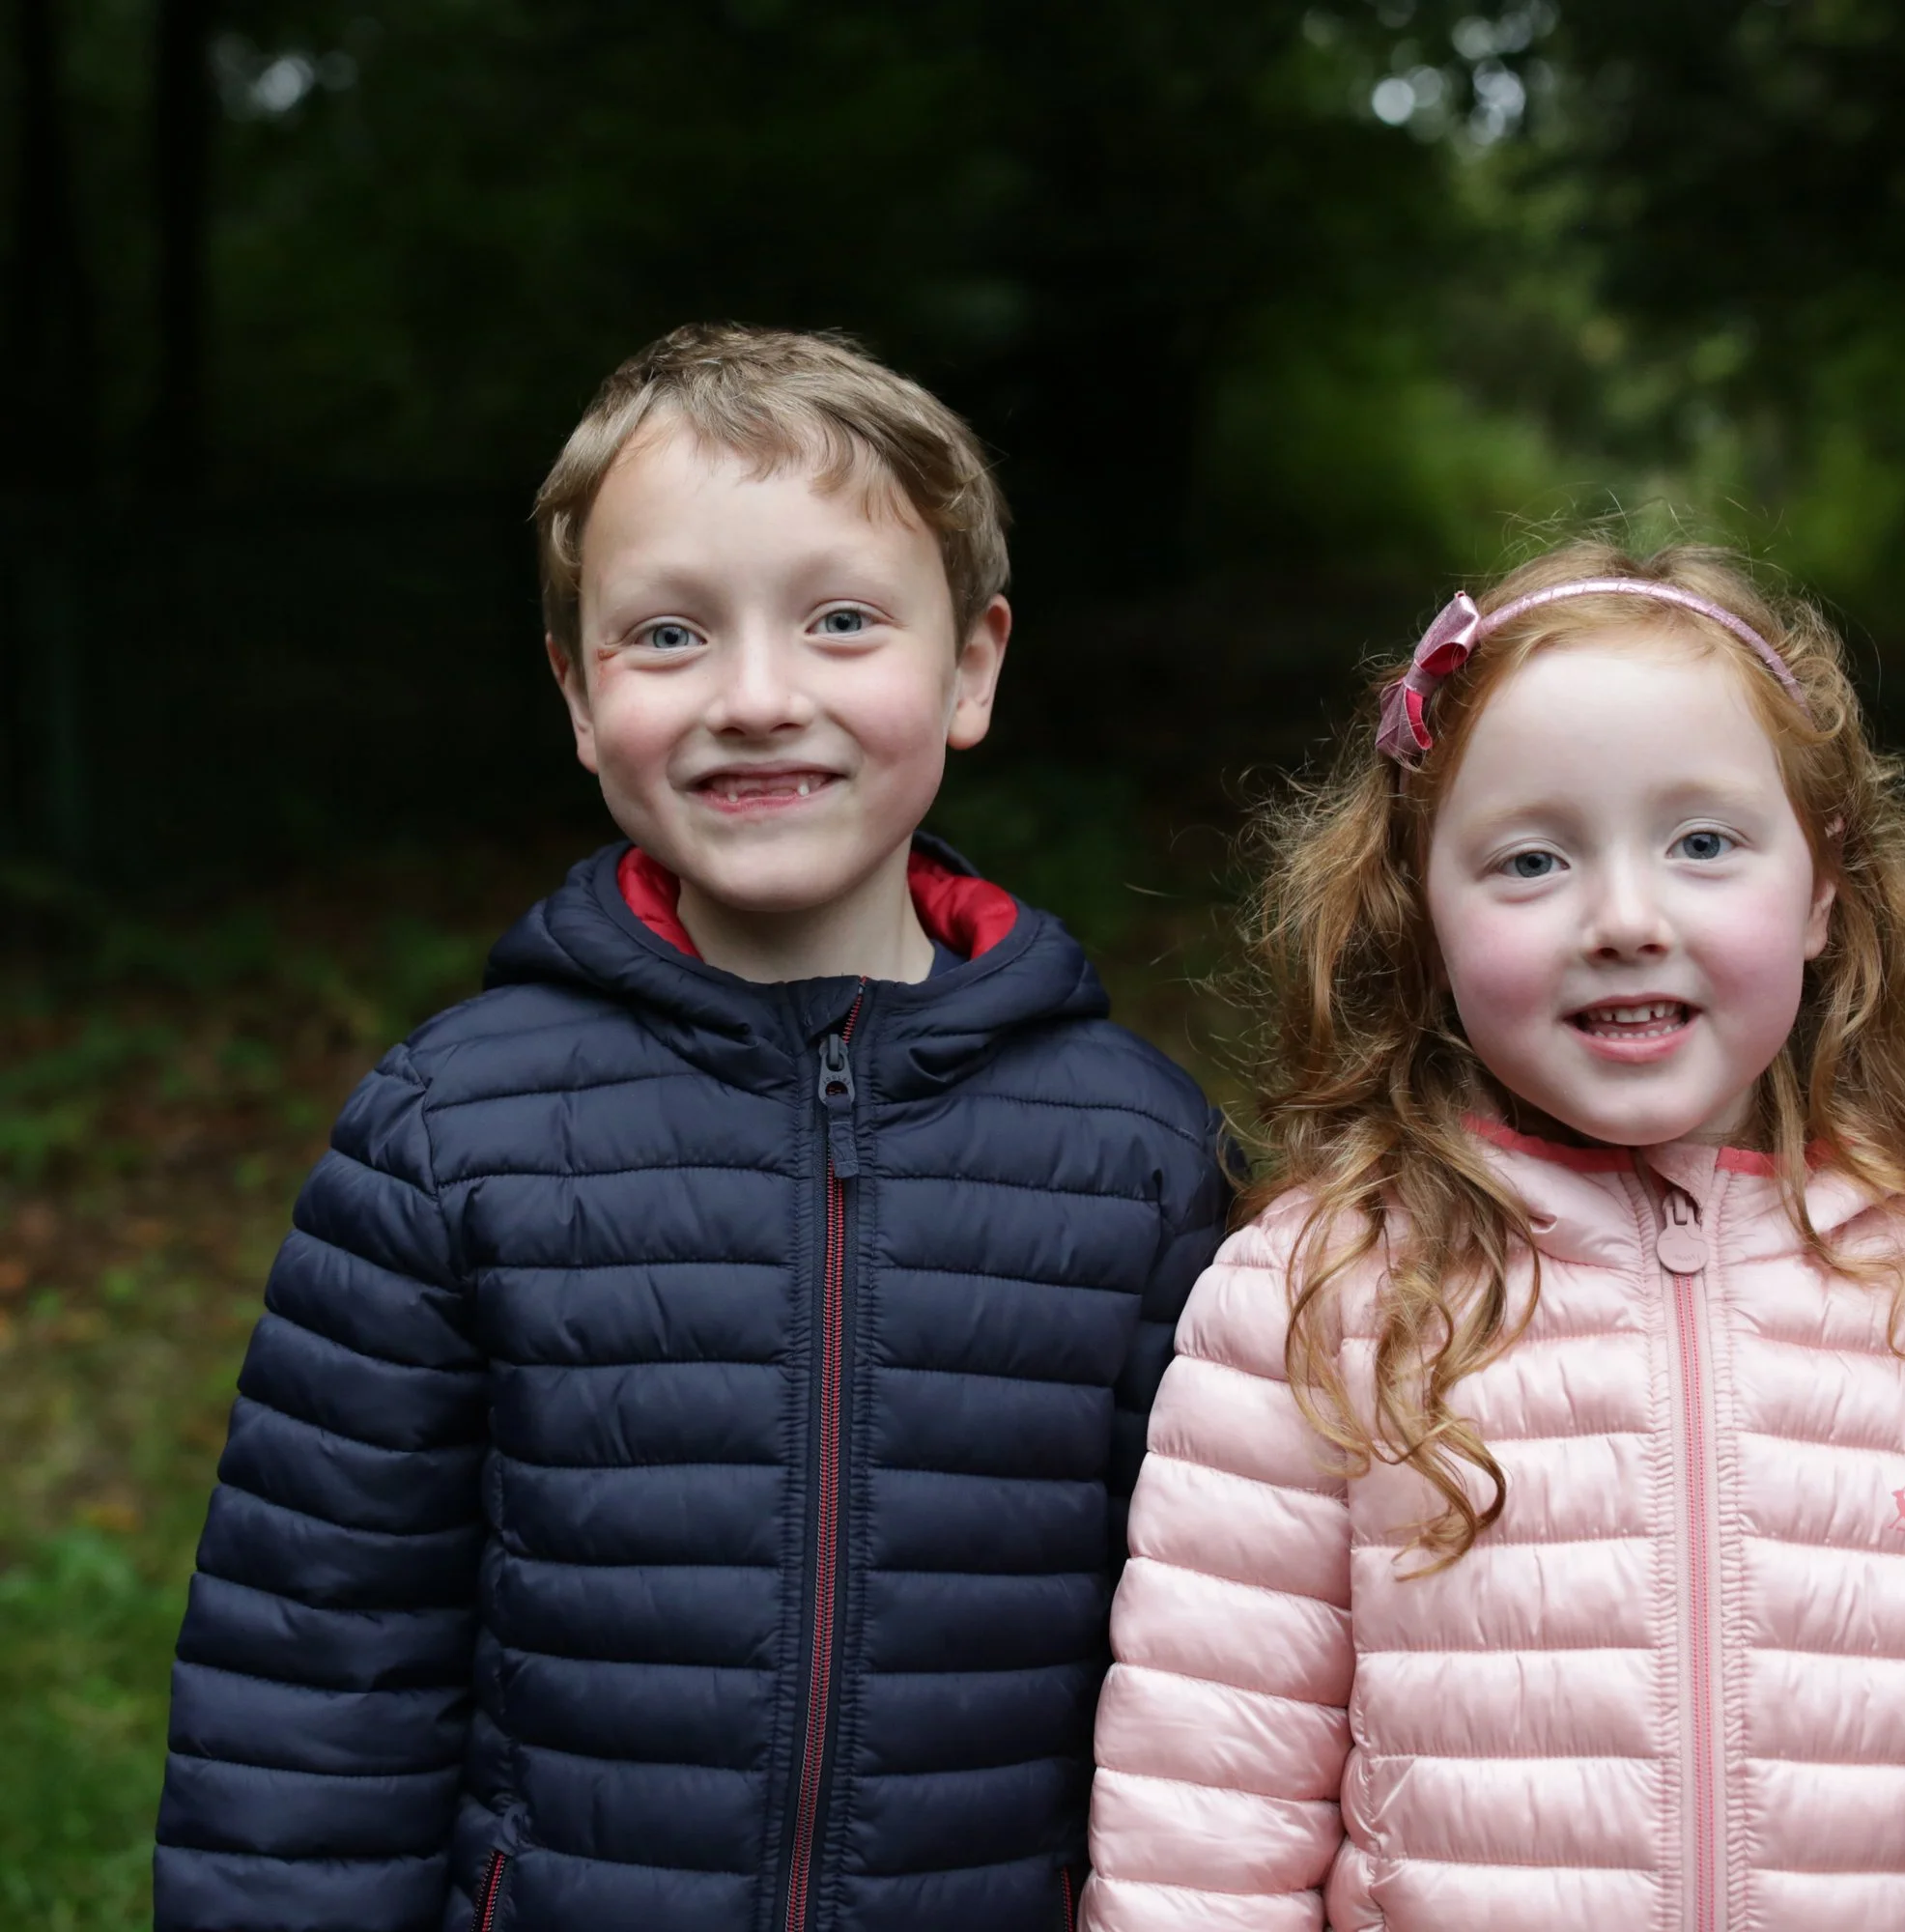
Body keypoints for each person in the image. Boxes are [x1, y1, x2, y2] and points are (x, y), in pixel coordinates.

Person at [154, 324, 1230, 1932]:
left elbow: (1222, 1689)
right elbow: (317, 1673)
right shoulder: (449, 1138)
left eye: (843, 621)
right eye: (667, 635)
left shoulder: (1139, 1158)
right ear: (579, 697)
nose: (756, 696)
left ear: (975, 665)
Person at [1085, 540, 1905, 1930]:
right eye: (1531, 860)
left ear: (1825, 888)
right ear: (1424, 914)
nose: (1626, 919)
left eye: (1703, 843)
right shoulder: (1320, 1299)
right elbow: (1202, 1838)